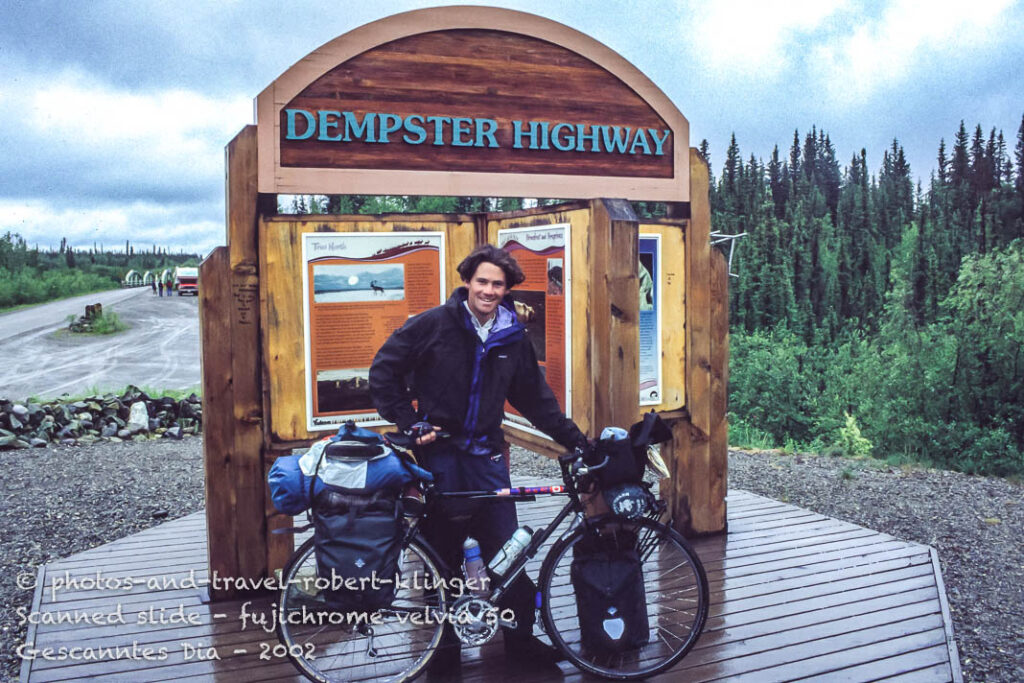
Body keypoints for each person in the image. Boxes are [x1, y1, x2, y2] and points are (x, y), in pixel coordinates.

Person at [370, 244, 587, 675]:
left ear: (507, 290)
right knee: (443, 561)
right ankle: (444, 659)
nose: (488, 290)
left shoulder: (512, 336)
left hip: (487, 459)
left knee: (509, 556)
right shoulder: (433, 325)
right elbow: (382, 371)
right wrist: (409, 422)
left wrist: (578, 443)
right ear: (468, 281)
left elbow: (536, 400)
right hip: (441, 459)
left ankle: (521, 647)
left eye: (497, 284)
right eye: (482, 281)